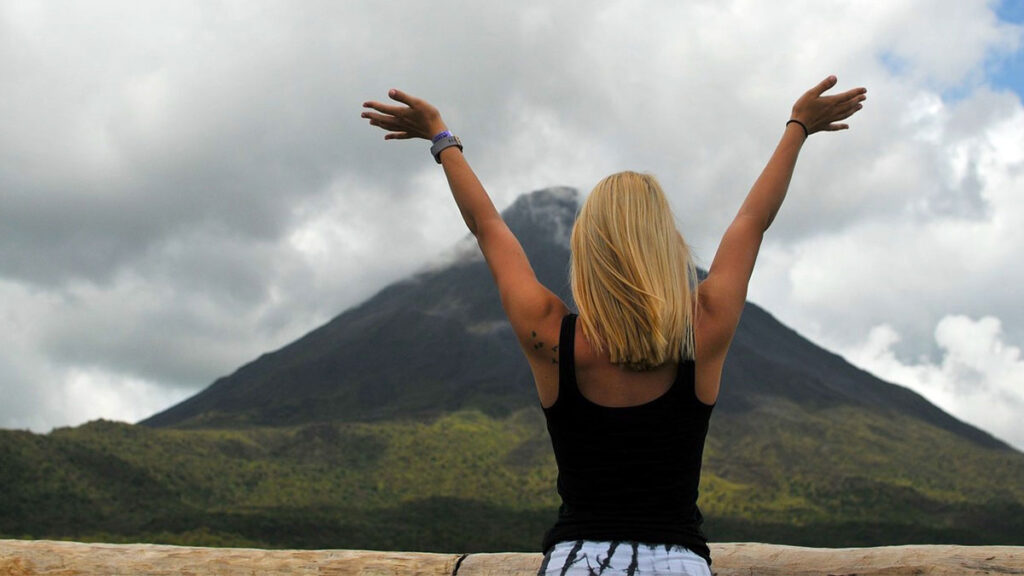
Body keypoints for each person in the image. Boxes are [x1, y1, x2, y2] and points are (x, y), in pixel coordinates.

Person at [362, 76, 866, 576]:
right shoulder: (705, 325)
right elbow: (752, 221)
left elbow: (487, 226)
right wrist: (797, 127)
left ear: (586, 249)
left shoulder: (550, 334)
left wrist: (442, 138)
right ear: (666, 242)